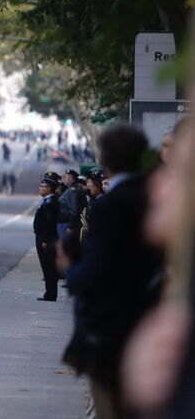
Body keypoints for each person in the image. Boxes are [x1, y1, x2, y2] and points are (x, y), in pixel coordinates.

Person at [61, 124, 163, 419]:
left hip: (113, 327)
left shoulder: (111, 205)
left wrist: (70, 268)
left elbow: (96, 273)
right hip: (151, 320)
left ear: (104, 159)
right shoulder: (157, 197)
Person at [33, 175, 59, 301]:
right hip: (43, 238)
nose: (40, 188)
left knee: (48, 266)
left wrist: (45, 240)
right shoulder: (47, 201)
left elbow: (49, 223)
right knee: (46, 266)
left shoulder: (50, 202)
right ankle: (49, 292)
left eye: (43, 186)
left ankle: (50, 294)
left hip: (46, 240)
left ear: (49, 189)